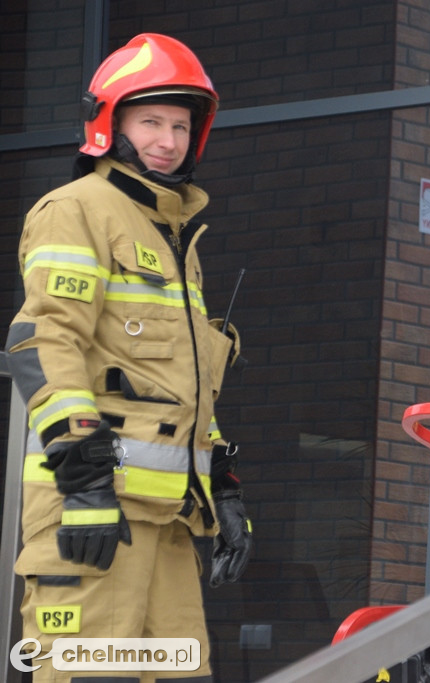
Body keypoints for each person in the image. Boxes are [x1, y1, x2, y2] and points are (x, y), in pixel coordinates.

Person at [5, 33, 253, 681]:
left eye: (179, 125)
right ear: (108, 124)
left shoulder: (173, 238)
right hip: (92, 515)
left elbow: (181, 382)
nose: (167, 140)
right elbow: (44, 343)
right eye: (150, 122)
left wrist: (221, 484)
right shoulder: (79, 210)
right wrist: (83, 478)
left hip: (168, 524)